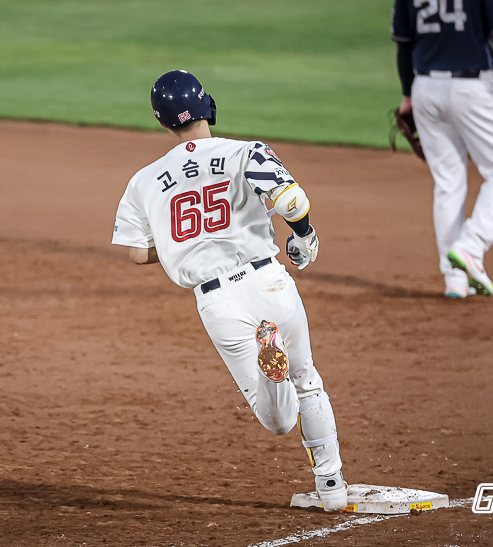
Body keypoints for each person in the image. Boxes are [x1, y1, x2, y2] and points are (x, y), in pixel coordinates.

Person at [111, 70, 347, 511]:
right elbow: (292, 202)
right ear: (207, 105)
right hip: (269, 281)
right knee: (309, 381)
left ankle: (269, 362)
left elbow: (138, 254)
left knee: (276, 420)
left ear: (163, 123)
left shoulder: (144, 180)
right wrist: (303, 235)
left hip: (217, 301)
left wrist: (181, 242)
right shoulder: (245, 152)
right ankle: (331, 486)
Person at [392, 0, 493, 298]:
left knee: (448, 180)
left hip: (424, 87)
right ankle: (471, 246)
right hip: (472, 89)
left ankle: (455, 277)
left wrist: (408, 95)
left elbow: (404, 43)